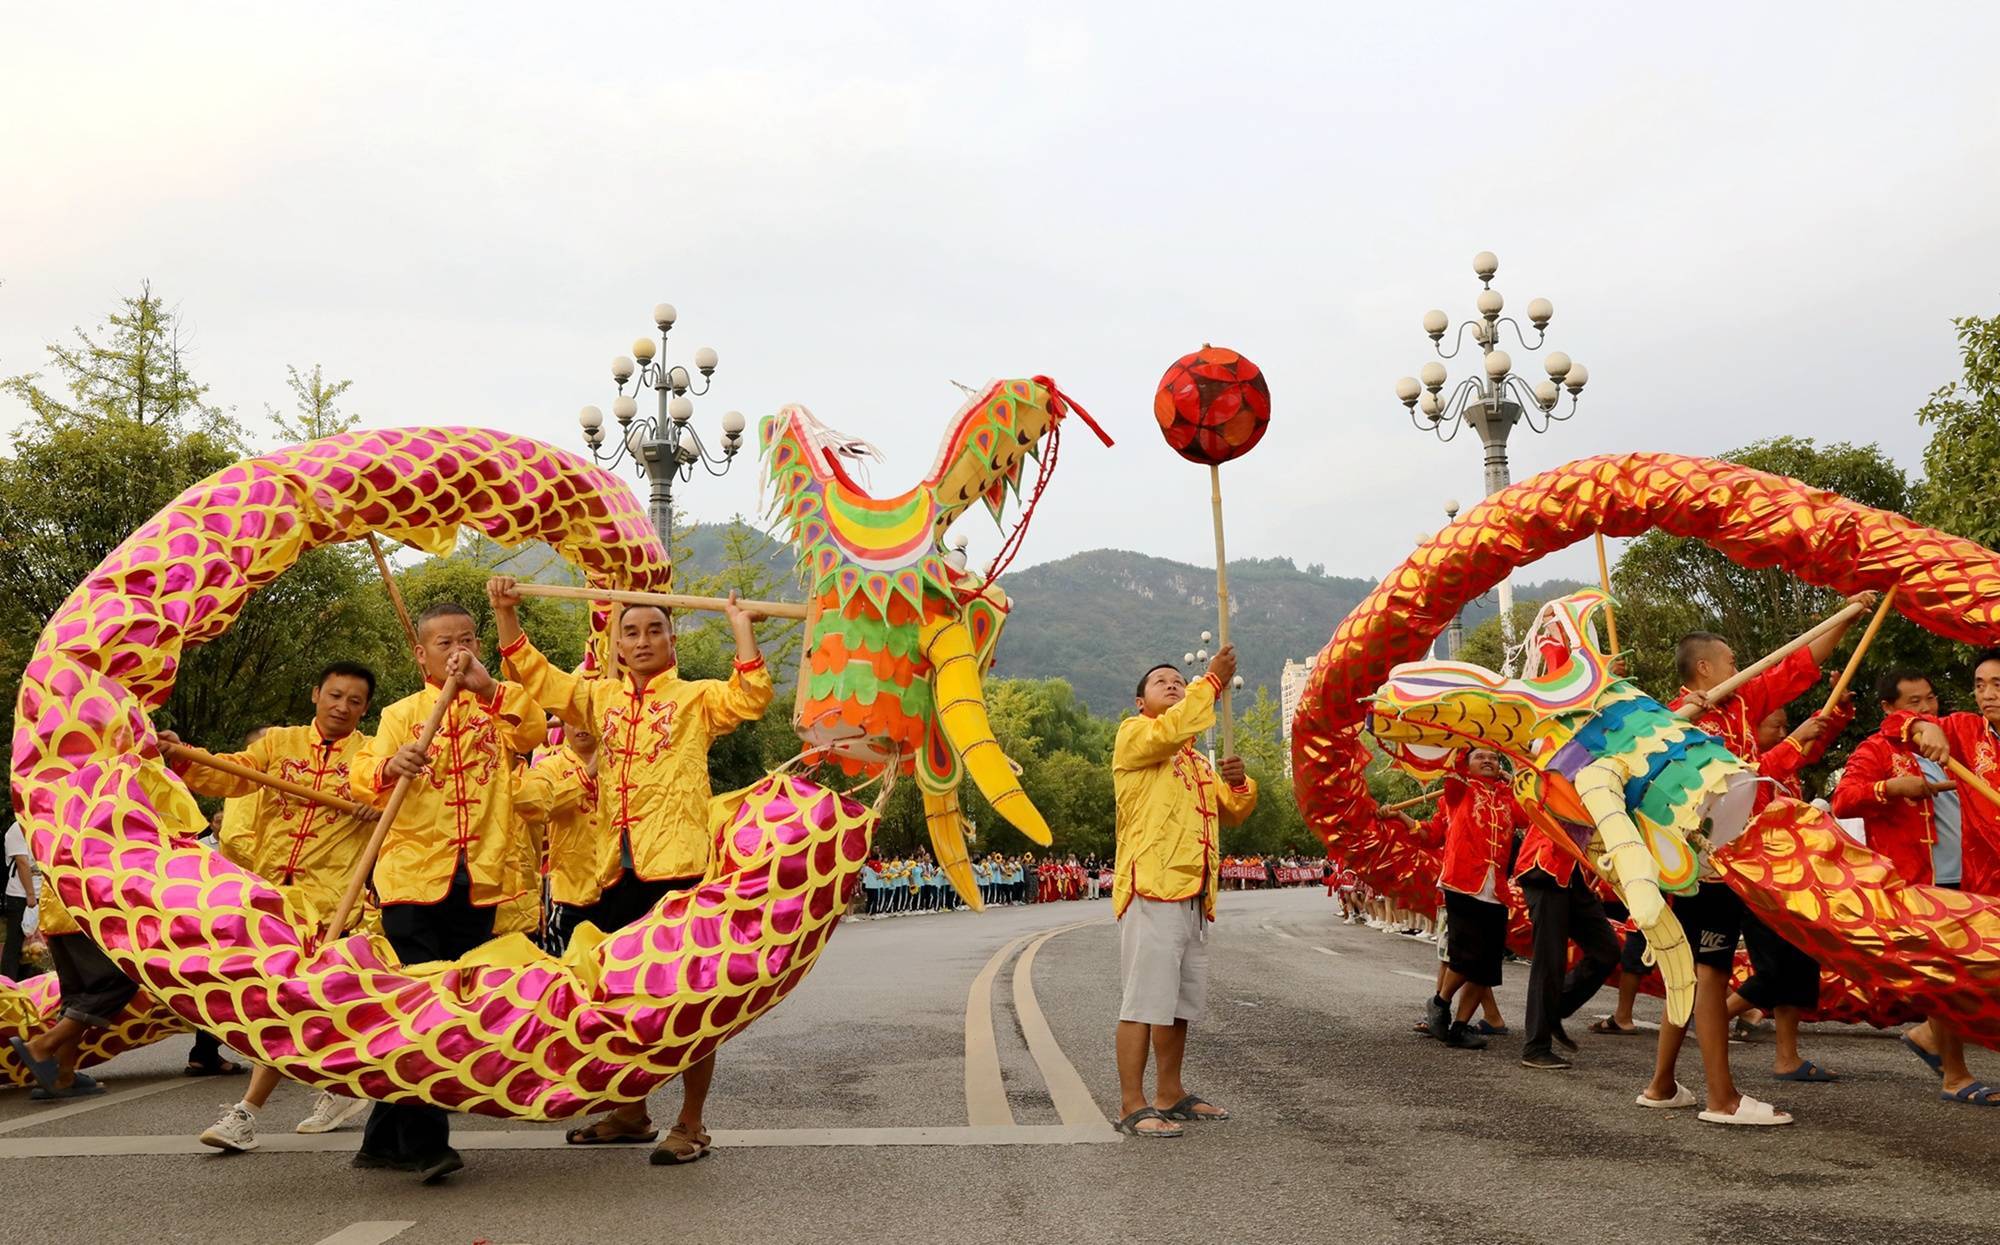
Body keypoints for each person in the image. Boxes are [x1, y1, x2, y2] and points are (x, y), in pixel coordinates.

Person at [493, 576, 773, 1164]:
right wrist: (505, 613)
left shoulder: (695, 699)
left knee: (690, 998)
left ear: (672, 640)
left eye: (654, 630)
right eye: (631, 632)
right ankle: (630, 1111)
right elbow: (539, 679)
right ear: (616, 646)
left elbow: (749, 698)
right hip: (612, 872)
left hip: (679, 869)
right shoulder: (601, 699)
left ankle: (691, 1122)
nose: (642, 640)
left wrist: (740, 625)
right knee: (620, 997)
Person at [1638, 596, 1873, 1126]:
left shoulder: (1742, 705)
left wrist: (1848, 615)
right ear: (1704, 668)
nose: (1737, 666)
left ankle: (1661, 1084)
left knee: (1690, 974)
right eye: (1729, 660)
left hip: (1735, 859)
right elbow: (1676, 777)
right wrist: (1685, 721)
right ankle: (1721, 1100)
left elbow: (1798, 666)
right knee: (1708, 974)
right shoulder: (1671, 721)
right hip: (1700, 865)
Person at [347, 601, 546, 1183]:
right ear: (421, 652)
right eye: (443, 643)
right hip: (412, 879)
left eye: (466, 640)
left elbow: (534, 730)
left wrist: (490, 690)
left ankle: (382, 1138)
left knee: (448, 1003)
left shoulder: (498, 707)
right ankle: (428, 1142)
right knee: (423, 1003)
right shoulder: (400, 714)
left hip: (480, 880)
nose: (456, 651)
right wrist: (389, 768)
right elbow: (362, 773)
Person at [171, 668, 383, 1152]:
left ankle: (246, 1113)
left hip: (331, 902)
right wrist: (181, 756)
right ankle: (339, 1085)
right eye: (334, 695)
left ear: (364, 709)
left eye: (354, 701)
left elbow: (399, 801)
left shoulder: (371, 757)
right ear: (316, 694)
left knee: (285, 1000)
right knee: (283, 1001)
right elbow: (230, 772)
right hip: (270, 897)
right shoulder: (279, 743)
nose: (341, 707)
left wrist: (380, 801)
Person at [1111, 648, 1257, 1138]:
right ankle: (1132, 1104)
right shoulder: (1136, 737)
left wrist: (1239, 786)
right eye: (1161, 682)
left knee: (1177, 1004)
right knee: (1143, 1001)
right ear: (1140, 703)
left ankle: (1169, 1093)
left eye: (1179, 679)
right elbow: (1171, 729)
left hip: (1193, 894)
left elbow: (1233, 812)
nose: (1173, 684)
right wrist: (1211, 683)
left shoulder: (1195, 761)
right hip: (1151, 887)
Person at [1863, 654, 2000, 1106]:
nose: (1987, 694)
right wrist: (1928, 728)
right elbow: (1906, 723)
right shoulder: (1964, 730)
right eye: (1980, 684)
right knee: (1955, 975)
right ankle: (1953, 1070)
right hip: (1968, 882)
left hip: (1963, 875)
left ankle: (1928, 1033)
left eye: (1996, 684)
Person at [1722, 699, 1852, 1082]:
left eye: (1785, 727)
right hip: (1757, 881)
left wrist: (1838, 712)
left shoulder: (1786, 764)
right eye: (1773, 728)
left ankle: (1787, 1057)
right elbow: (1760, 786)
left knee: (1801, 965)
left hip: (1794, 880)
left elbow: (1811, 744)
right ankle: (1707, 1020)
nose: (1781, 734)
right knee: (1773, 971)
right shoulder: (1741, 767)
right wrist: (1794, 741)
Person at [1412, 749, 1527, 1052]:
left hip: (1497, 892)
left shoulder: (1507, 797)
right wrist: (1465, 743)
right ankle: (1439, 1003)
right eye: (1480, 757)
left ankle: (1459, 1027)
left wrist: (1510, 779)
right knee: (1466, 956)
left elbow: (1531, 812)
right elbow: (1453, 768)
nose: (1489, 761)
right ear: (1468, 764)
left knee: (1487, 966)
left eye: (1494, 758)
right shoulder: (1458, 790)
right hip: (1462, 884)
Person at [3, 817, 32, 980]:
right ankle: (8, 986)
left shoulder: (38, 826)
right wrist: (30, 896)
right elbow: (22, 862)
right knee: (15, 944)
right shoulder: (17, 828)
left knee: (30, 948)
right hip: (20, 896)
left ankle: (25, 985)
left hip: (39, 894)